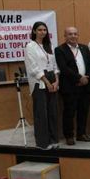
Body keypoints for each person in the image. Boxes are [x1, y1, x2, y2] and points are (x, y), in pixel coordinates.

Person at [55, 27, 90, 145]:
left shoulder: (84, 48)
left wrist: (86, 77)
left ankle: (81, 134)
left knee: (83, 111)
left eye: (75, 34)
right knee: (69, 112)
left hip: (85, 86)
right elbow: (64, 68)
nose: (73, 36)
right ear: (65, 36)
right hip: (70, 87)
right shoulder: (60, 50)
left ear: (78, 35)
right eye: (70, 34)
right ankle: (69, 136)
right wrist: (79, 78)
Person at [25, 22, 60, 150]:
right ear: (34, 31)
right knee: (42, 113)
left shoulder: (49, 45)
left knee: (52, 112)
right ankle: (43, 142)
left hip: (52, 78)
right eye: (39, 30)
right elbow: (33, 67)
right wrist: (47, 82)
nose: (42, 32)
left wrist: (56, 80)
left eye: (44, 30)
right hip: (40, 81)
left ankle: (53, 139)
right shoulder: (30, 46)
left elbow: (55, 65)